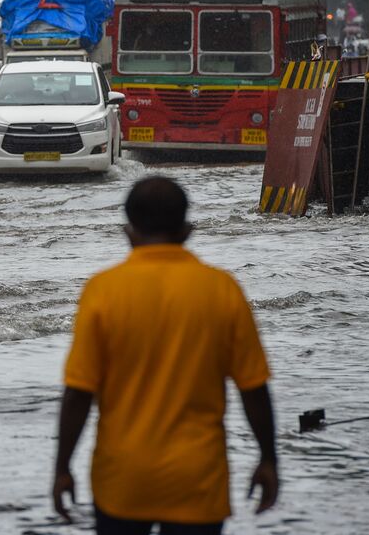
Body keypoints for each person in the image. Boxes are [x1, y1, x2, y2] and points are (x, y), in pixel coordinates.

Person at [53, 176, 278, 535]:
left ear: (128, 231)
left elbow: (79, 392)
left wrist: (62, 468)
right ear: (187, 230)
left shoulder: (103, 291)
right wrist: (268, 459)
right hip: (197, 480)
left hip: (122, 481)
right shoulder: (221, 289)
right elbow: (253, 388)